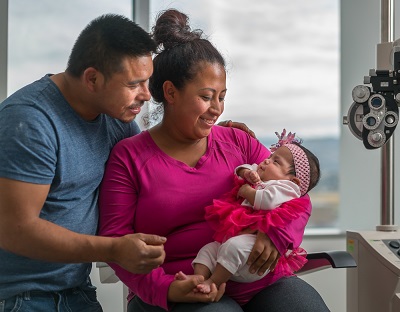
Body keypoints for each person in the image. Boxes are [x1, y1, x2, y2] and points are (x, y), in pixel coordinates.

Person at [98, 8, 330, 312]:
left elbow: (296, 193)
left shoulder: (239, 142)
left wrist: (278, 235)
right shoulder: (128, 157)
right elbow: (116, 241)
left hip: (254, 279)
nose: (217, 109)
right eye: (207, 96)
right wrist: (165, 289)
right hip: (176, 282)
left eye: (222, 96)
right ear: (170, 92)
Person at [0, 14, 169, 311]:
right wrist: (115, 249)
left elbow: (157, 167)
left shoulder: (117, 119)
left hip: (76, 289)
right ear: (92, 78)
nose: (146, 95)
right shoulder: (29, 121)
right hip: (19, 297)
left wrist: (214, 137)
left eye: (147, 82)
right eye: (134, 84)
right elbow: (15, 230)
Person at [187, 130, 321, 294]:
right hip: (238, 245)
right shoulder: (263, 175)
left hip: (251, 258)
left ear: (293, 181)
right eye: (270, 157)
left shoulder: (286, 188)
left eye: (275, 161)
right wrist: (246, 172)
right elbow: (243, 168)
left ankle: (213, 282)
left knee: (233, 247)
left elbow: (267, 201)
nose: (266, 160)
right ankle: (199, 279)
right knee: (208, 249)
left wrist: (246, 191)